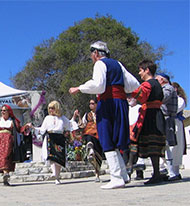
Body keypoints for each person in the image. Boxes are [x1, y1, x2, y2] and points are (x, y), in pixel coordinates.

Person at [69, 41, 139, 189]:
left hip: (107, 103)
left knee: (107, 138)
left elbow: (99, 85)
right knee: (116, 139)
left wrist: (79, 88)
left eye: (91, 55)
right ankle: (123, 175)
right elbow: (133, 84)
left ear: (95, 53)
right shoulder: (118, 64)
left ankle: (116, 178)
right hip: (120, 103)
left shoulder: (100, 64)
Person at [129, 60, 166, 184]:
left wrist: (127, 90)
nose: (139, 73)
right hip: (156, 114)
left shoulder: (148, 84)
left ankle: (131, 169)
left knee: (148, 142)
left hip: (150, 116)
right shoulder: (157, 84)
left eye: (140, 70)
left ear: (147, 70)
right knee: (153, 144)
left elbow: (140, 96)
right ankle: (156, 172)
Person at [33, 101, 72, 185]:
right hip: (50, 138)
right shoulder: (47, 118)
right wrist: (33, 128)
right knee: (51, 157)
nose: (51, 110)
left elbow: (68, 125)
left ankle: (57, 177)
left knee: (59, 158)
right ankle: (54, 173)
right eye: (49, 108)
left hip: (59, 138)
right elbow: (42, 129)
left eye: (53, 108)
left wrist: (67, 133)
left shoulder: (62, 118)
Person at [74, 98, 103, 182]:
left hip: (99, 135)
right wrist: (79, 116)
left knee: (98, 155)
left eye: (93, 103)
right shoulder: (87, 115)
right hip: (90, 133)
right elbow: (82, 125)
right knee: (88, 136)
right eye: (90, 103)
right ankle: (90, 147)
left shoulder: (101, 113)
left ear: (97, 104)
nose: (91, 105)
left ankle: (97, 174)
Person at [155, 73, 178, 180]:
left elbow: (162, 98)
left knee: (167, 144)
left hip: (167, 118)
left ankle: (172, 172)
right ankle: (167, 171)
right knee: (164, 145)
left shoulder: (168, 88)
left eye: (157, 78)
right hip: (164, 118)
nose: (155, 80)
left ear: (162, 79)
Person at [168, 82, 187, 180]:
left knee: (176, 147)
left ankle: (175, 172)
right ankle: (170, 171)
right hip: (168, 122)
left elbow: (174, 110)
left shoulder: (180, 100)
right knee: (169, 148)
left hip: (176, 123)